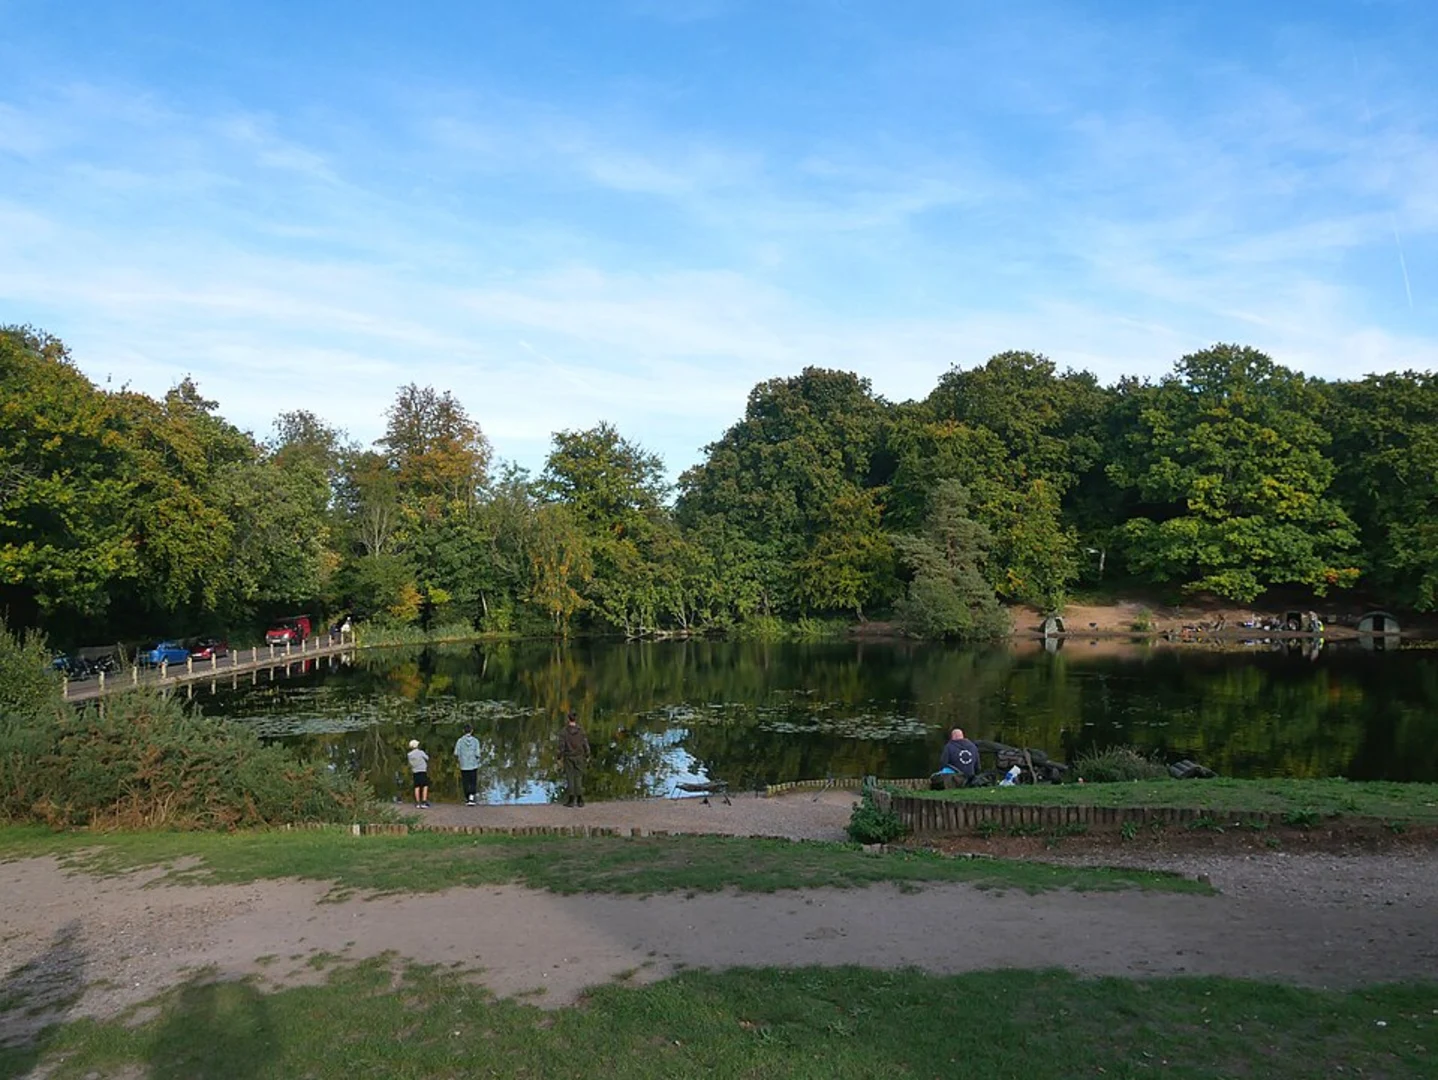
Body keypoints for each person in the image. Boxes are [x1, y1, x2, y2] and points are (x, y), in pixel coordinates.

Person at [557, 711, 590, 808]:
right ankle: (580, 799)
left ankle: (571, 800)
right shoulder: (581, 731)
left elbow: (561, 746)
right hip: (579, 756)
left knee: (570, 778)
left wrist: (559, 756)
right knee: (578, 777)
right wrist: (587, 754)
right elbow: (585, 743)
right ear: (575, 719)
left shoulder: (564, 732)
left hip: (568, 757)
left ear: (568, 719)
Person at [454, 723, 482, 806]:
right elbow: (477, 754)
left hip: (464, 765)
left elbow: (456, 753)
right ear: (472, 731)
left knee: (465, 782)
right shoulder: (476, 741)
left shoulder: (459, 741)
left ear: (463, 731)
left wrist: (460, 757)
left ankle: (467, 798)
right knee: (473, 782)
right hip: (473, 765)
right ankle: (472, 798)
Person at [407, 738, 431, 808]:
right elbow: (427, 758)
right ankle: (424, 801)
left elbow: (410, 763)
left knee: (416, 786)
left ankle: (417, 802)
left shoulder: (409, 754)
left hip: (415, 771)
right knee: (425, 786)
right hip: (422, 770)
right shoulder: (420, 752)